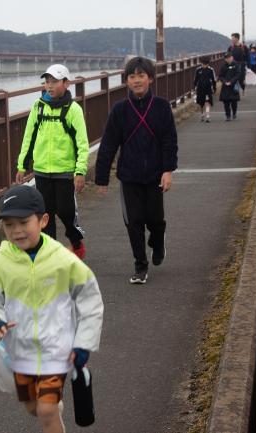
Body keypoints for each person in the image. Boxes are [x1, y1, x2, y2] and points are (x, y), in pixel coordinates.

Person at [0, 184, 103, 433]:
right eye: (9, 225)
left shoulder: (62, 259)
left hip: (57, 349)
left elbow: (90, 299)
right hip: (21, 350)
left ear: (43, 220)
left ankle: (52, 409)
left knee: (46, 411)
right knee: (32, 407)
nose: (16, 231)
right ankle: (50, 407)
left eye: (23, 222)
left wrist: (83, 343)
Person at [94, 56, 178, 284]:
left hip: (155, 175)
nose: (137, 80)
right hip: (129, 176)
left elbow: (170, 141)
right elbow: (109, 144)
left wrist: (168, 170)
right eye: (132, 76)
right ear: (126, 81)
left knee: (156, 220)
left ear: (150, 78)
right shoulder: (120, 110)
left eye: (141, 75)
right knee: (134, 222)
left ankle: (158, 241)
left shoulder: (161, 107)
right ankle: (140, 266)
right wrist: (101, 178)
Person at [15, 64, 90, 259]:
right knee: (45, 215)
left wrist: (80, 171)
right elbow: (28, 137)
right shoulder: (38, 107)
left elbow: (82, 142)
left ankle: (75, 240)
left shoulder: (73, 109)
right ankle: (51, 254)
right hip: (41, 171)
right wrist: (22, 165)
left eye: (54, 81)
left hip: (65, 171)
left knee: (66, 211)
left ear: (66, 83)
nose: (49, 86)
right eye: (47, 81)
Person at [218, 52, 242, 121]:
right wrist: (225, 82)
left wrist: (231, 82)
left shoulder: (236, 64)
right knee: (226, 102)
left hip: (233, 85)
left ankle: (234, 113)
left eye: (229, 58)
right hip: (225, 86)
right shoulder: (223, 66)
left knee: (234, 101)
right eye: (226, 58)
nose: (228, 59)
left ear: (232, 57)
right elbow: (220, 76)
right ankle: (228, 115)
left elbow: (238, 74)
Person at [193, 56, 217, 123]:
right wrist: (194, 87)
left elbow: (214, 80)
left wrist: (214, 88)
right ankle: (202, 114)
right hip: (200, 88)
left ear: (208, 64)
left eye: (206, 64)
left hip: (208, 88)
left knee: (207, 102)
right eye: (203, 64)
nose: (204, 65)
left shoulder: (211, 70)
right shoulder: (198, 70)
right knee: (201, 103)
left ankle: (207, 116)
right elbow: (195, 80)